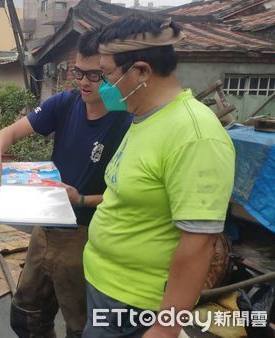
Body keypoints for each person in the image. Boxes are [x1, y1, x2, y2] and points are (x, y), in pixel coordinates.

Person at [82, 15, 235, 338]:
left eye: (107, 75)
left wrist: (166, 327)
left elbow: (199, 241)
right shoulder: (143, 118)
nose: (102, 86)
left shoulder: (195, 135)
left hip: (137, 306)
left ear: (141, 71)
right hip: (105, 288)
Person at [0, 29, 131, 338]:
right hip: (47, 227)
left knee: (81, 326)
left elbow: (127, 196)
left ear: (112, 75)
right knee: (26, 316)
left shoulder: (124, 121)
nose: (84, 82)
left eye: (94, 75)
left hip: (87, 235)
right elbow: (9, 133)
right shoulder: (65, 103)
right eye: (79, 72)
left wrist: (83, 199)